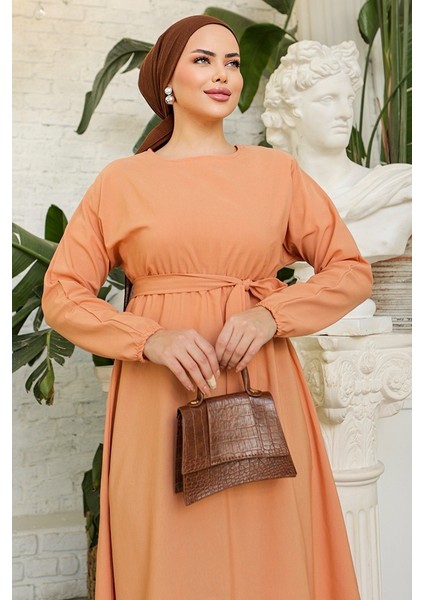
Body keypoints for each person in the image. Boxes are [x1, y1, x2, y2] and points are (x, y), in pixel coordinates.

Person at [42, 15, 372, 600]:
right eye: (202, 60)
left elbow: (350, 270)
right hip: (158, 394)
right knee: (170, 554)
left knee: (270, 546)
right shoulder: (121, 182)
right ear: (166, 80)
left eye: (232, 63)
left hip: (260, 383)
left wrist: (270, 315)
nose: (222, 74)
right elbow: (63, 292)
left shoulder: (276, 172)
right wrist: (148, 337)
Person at [262, 39, 412, 266]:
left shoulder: (398, 191)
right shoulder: (272, 206)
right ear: (289, 112)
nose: (345, 113)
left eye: (349, 100)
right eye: (328, 99)